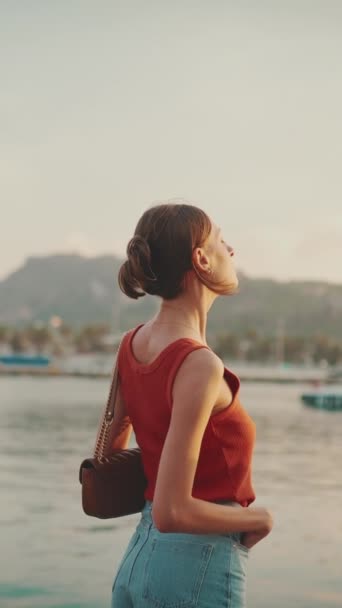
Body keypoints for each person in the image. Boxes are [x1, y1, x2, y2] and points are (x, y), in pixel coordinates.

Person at [110, 201, 273, 608]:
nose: (230, 249)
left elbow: (112, 453)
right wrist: (257, 519)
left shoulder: (132, 344)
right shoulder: (198, 364)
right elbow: (172, 510)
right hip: (194, 568)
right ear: (201, 259)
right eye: (221, 240)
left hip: (137, 560)